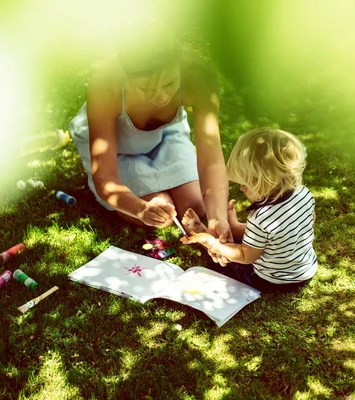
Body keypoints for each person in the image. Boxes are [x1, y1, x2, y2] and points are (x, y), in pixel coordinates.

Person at [68, 28, 232, 252]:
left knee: (195, 205)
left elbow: (211, 159)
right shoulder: (106, 85)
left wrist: (217, 218)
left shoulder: (199, 75)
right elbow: (105, 177)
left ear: (180, 65)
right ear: (124, 75)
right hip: (118, 147)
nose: (162, 98)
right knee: (160, 211)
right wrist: (140, 209)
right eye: (145, 88)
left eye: (169, 84)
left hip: (165, 133)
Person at [180, 128, 317, 292]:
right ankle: (234, 226)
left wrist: (213, 244)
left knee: (226, 259)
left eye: (246, 184)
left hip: (272, 280)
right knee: (257, 237)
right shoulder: (304, 193)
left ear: (265, 180)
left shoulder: (262, 217)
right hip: (305, 271)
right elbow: (306, 222)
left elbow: (245, 256)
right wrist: (236, 225)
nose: (241, 188)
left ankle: (204, 234)